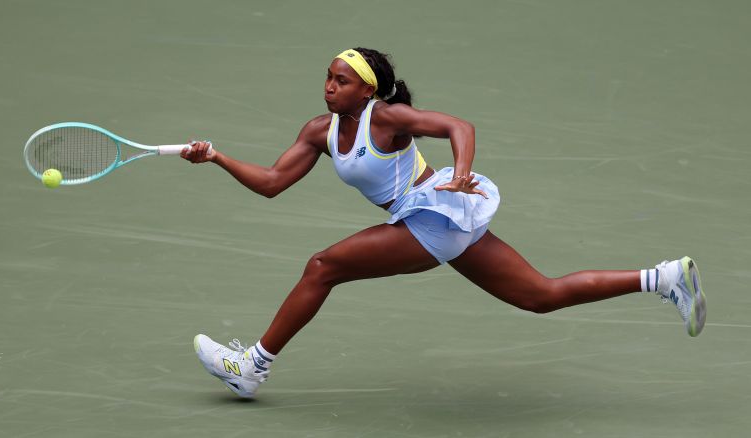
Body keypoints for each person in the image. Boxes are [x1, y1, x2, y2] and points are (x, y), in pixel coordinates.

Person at [184, 48, 706, 398]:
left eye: (341, 81)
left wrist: (458, 174)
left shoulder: (386, 118)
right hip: (438, 220)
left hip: (435, 211)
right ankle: (663, 278)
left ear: (368, 91)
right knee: (540, 295)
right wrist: (218, 158)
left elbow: (459, 125)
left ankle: (253, 365)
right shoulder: (318, 132)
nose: (328, 88)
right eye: (327, 78)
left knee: (323, 266)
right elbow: (274, 181)